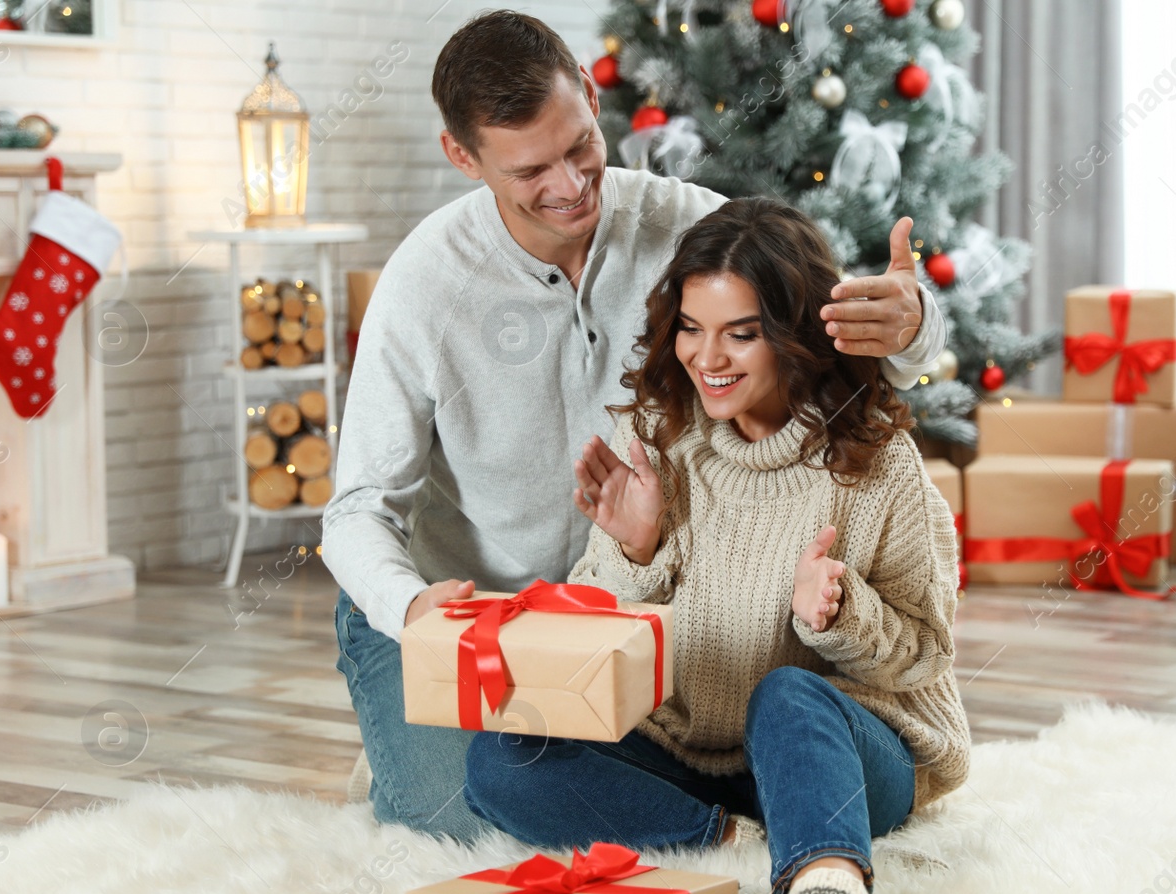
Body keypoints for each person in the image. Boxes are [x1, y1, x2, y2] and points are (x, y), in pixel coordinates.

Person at [326, 10, 950, 844]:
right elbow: (356, 507)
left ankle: (711, 819)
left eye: (580, 145)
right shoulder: (421, 285)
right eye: (530, 169)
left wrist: (914, 327)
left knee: (577, 791)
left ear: (590, 93)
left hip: (625, 601)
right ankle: (417, 734)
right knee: (461, 819)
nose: (571, 184)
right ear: (462, 157)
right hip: (460, 609)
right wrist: (411, 612)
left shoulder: (686, 226)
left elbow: (823, 324)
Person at [460, 198, 970, 894]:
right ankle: (729, 840)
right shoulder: (661, 436)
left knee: (788, 693)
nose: (707, 357)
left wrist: (841, 617)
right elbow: (594, 650)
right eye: (692, 328)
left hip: (848, 753)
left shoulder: (879, 465)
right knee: (499, 759)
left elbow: (924, 655)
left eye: (740, 332)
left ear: (796, 333)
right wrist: (635, 552)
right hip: (694, 750)